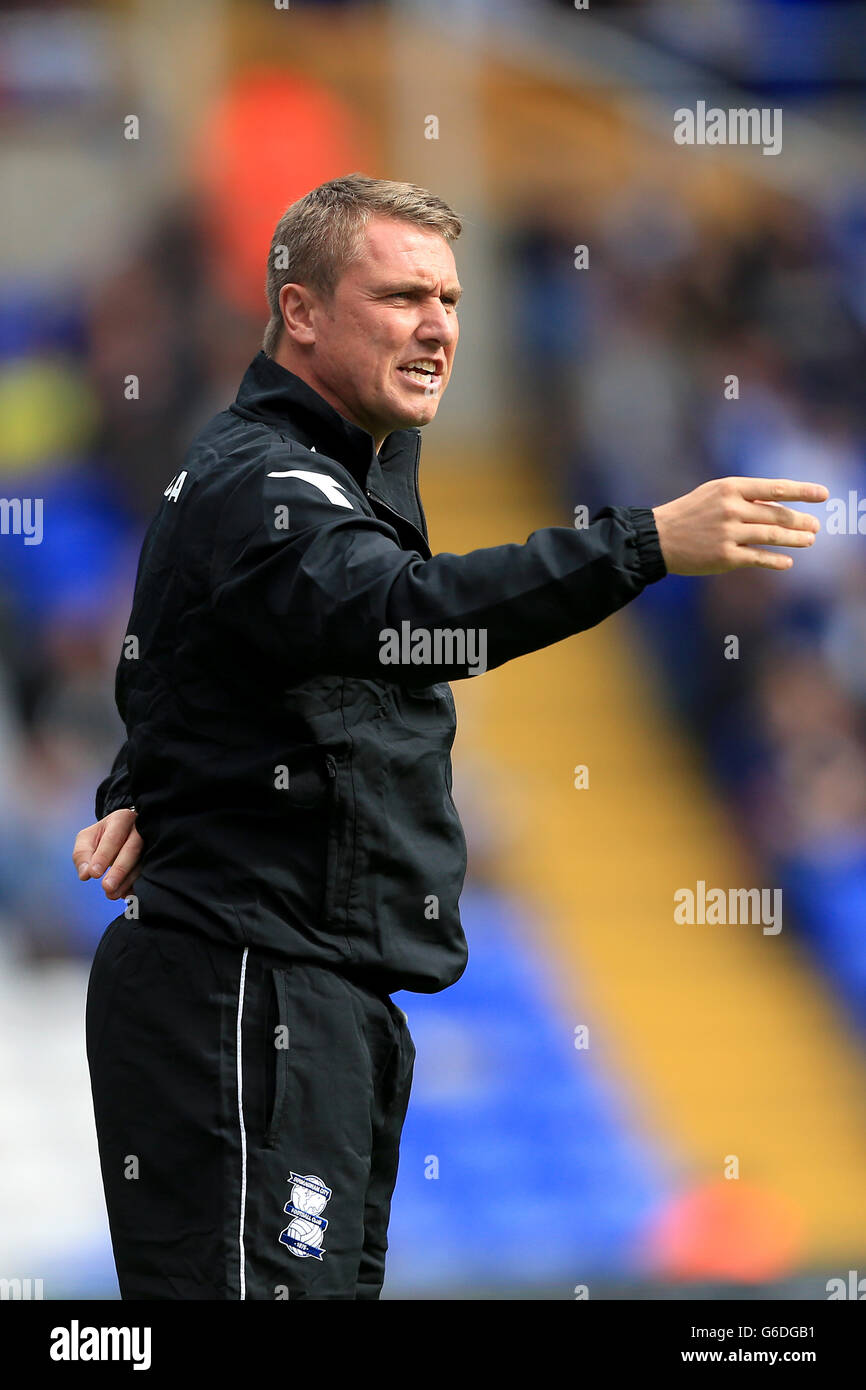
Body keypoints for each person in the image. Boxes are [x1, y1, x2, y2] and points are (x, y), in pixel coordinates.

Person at [73, 173, 827, 1300]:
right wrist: (646, 544)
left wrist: (141, 782)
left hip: (316, 995)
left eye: (451, 299)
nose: (437, 327)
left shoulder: (330, 474)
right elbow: (407, 621)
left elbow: (189, 650)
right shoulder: (268, 481)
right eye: (401, 296)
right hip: (244, 986)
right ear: (301, 310)